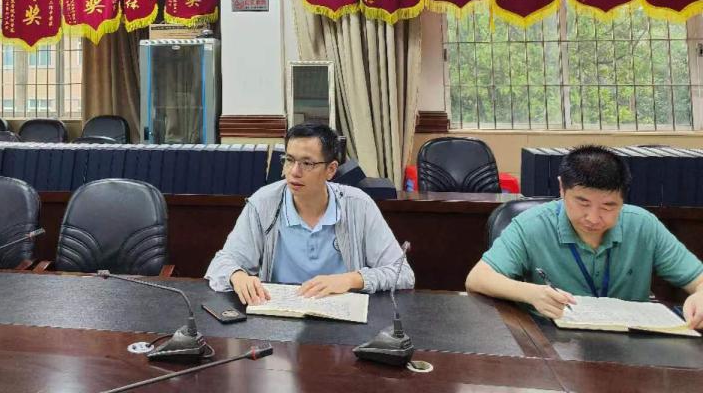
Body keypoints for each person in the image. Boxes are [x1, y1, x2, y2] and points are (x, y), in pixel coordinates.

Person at [466, 145, 703, 329]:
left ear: (623, 198)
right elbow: (478, 278)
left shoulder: (643, 225)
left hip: (630, 347)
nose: (593, 218)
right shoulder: (531, 225)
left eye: (608, 206)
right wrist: (533, 294)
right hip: (555, 343)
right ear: (562, 189)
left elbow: (699, 279)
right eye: (582, 202)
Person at [206, 122, 413, 305]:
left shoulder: (359, 206)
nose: (294, 172)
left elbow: (402, 273)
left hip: (341, 315)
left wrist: (351, 279)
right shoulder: (263, 203)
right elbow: (222, 263)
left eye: (307, 163)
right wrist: (238, 275)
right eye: (289, 160)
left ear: (331, 170)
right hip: (281, 315)